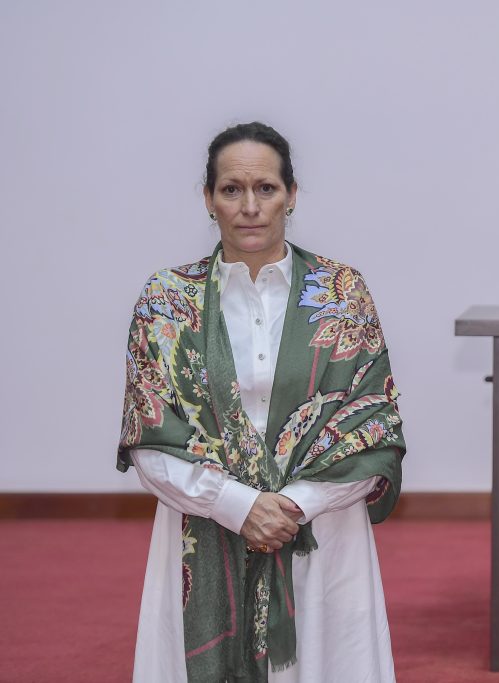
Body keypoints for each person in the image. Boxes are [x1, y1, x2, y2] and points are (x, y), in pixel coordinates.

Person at [118, 121, 405, 682]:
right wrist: (237, 505)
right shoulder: (165, 303)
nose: (249, 206)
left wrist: (291, 505)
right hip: (202, 528)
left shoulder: (341, 294)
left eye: (266, 189)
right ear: (208, 199)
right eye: (231, 189)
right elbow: (148, 436)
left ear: (291, 195)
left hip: (319, 535)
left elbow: (373, 430)